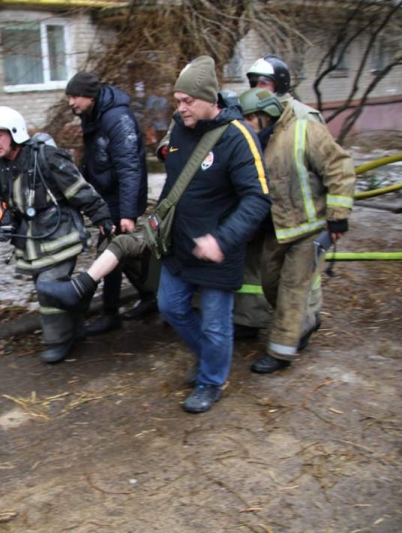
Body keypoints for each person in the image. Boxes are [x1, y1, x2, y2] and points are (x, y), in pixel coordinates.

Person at [0, 106, 113, 365]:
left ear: (15, 133)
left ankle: (58, 340)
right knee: (58, 288)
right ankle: (76, 327)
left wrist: (101, 216)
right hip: (32, 242)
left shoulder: (46, 157)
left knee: (48, 287)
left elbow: (78, 189)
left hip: (60, 235)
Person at [153, 56, 271, 413]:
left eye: (188, 101)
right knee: (170, 306)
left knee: (217, 324)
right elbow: (174, 181)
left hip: (220, 247)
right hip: (180, 244)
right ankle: (209, 358)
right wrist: (158, 219)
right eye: (178, 100)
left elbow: (258, 198)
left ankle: (211, 380)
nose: (181, 107)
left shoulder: (238, 137)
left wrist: (222, 239)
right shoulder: (178, 129)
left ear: (210, 100)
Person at [237, 88, 356, 374]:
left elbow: (339, 168)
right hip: (276, 230)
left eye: (251, 118)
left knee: (291, 289)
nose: (247, 124)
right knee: (270, 283)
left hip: (309, 228)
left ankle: (280, 352)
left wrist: (338, 217)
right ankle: (305, 322)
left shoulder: (305, 130)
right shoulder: (255, 142)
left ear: (266, 115)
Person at [235, 54, 327, 339]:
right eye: (253, 83)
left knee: (295, 275)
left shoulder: (303, 116)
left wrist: (329, 216)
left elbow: (328, 166)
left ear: (279, 83)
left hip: (295, 213)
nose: (256, 88)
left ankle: (305, 320)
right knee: (255, 268)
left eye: (263, 82)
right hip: (261, 207)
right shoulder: (249, 111)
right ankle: (249, 319)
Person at [64, 71, 155, 336]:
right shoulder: (92, 115)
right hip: (106, 196)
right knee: (121, 253)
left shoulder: (117, 118)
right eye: (69, 96)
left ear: (90, 95)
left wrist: (127, 213)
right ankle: (150, 296)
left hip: (120, 198)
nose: (71, 102)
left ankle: (110, 312)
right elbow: (96, 158)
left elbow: (129, 168)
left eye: (74, 96)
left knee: (109, 251)